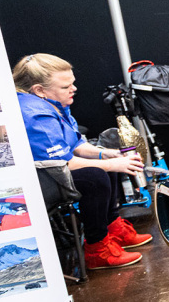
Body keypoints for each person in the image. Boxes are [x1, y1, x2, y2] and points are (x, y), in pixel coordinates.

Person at [13, 53, 152, 270]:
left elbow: (75, 143)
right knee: (94, 176)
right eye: (65, 86)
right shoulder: (34, 115)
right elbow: (61, 163)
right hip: (41, 181)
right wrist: (109, 165)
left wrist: (106, 155)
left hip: (55, 170)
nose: (73, 88)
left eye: (72, 83)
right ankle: (97, 249)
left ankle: (112, 227)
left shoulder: (52, 103)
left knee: (109, 160)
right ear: (39, 90)